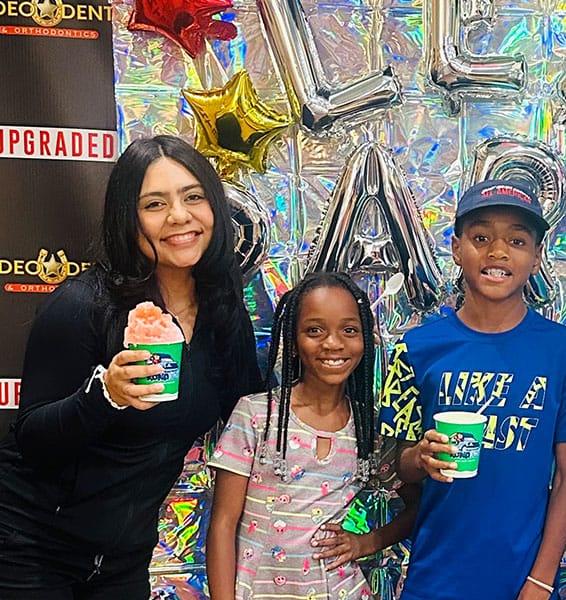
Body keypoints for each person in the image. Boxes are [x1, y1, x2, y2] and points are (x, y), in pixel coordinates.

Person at [0, 135, 262, 599]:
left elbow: (248, 408)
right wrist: (106, 396)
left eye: (194, 196)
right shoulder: (84, 304)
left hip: (123, 557)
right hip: (29, 546)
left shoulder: (224, 307)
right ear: (129, 218)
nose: (179, 216)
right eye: (155, 204)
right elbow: (33, 440)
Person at [378, 179, 566, 600]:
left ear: (535, 259)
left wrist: (541, 579)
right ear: (457, 249)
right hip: (434, 579)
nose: (498, 252)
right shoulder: (417, 348)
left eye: (516, 240)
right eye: (481, 238)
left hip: (521, 581)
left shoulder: (564, 352)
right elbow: (393, 467)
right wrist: (419, 458)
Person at [207, 271, 420, 600]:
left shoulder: (368, 430)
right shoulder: (256, 415)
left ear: (366, 341)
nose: (333, 343)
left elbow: (418, 506)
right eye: (314, 330)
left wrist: (365, 542)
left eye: (349, 330)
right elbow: (222, 524)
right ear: (292, 342)